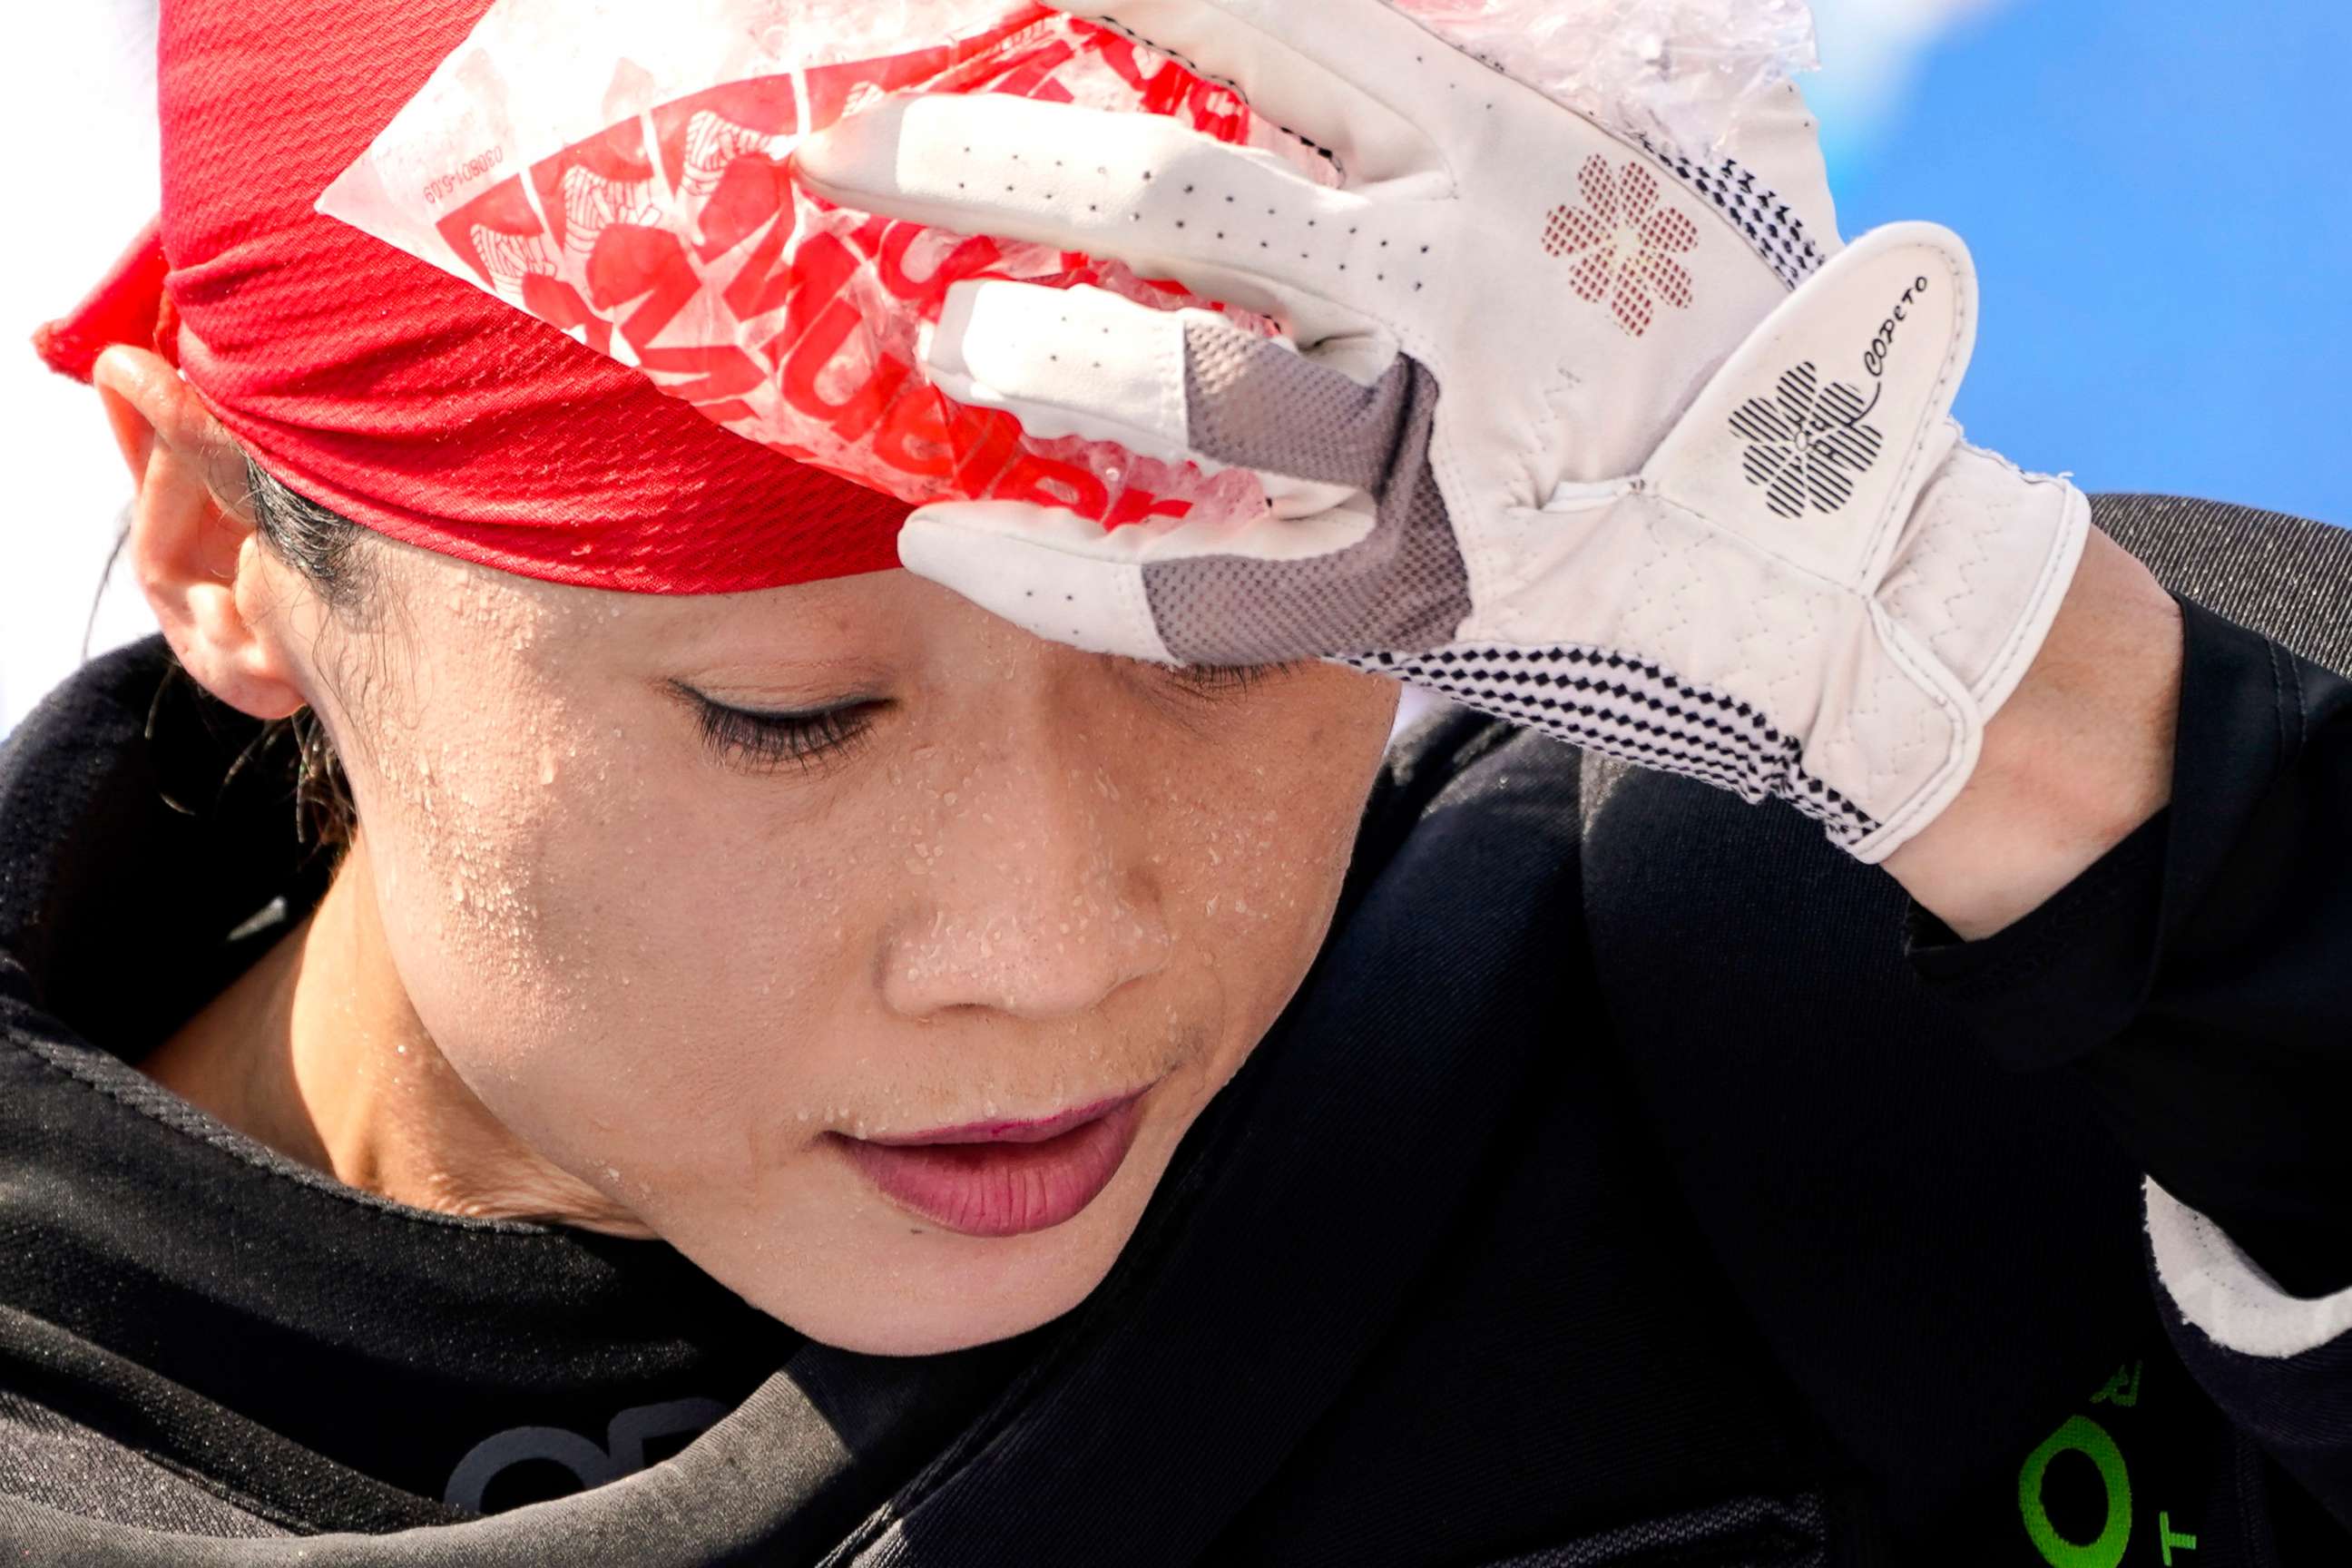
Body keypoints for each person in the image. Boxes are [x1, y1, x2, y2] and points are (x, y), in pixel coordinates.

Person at [5, 0, 2350, 1563]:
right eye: (791, 718)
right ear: (229, 546)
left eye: (1229, 645)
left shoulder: (1793, 1045)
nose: (1051, 949)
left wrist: (2075, 750)